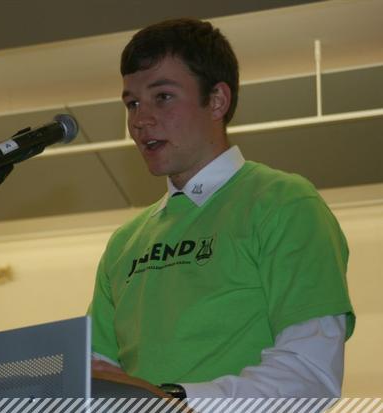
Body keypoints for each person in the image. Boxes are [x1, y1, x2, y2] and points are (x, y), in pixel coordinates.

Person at [88, 18, 355, 399]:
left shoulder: (285, 203)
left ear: (217, 100)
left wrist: (175, 401)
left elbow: (310, 374)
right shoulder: (124, 243)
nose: (140, 120)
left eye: (162, 97)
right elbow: (95, 374)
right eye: (132, 103)